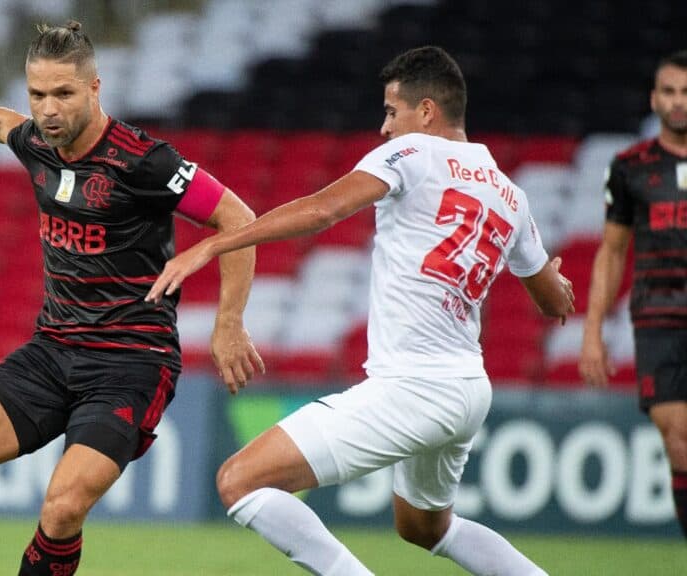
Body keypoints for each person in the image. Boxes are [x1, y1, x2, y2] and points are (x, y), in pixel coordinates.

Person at [0, 21, 264, 576]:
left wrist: (229, 320)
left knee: (62, 509)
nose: (48, 109)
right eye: (37, 94)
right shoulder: (38, 141)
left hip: (131, 362)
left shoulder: (144, 162)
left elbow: (238, 217)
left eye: (63, 93)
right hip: (53, 348)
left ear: (95, 88)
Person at [146, 46, 574, 575]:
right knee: (425, 526)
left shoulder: (414, 153)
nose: (383, 128)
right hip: (467, 388)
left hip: (414, 388)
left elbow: (324, 209)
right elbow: (553, 301)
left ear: (426, 113)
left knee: (239, 480)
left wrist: (216, 244)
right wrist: (558, 282)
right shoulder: (510, 195)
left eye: (392, 112)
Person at [579, 49, 687, 539]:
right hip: (659, 318)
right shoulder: (630, 168)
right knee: (680, 444)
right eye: (669, 91)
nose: (678, 101)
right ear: (654, 98)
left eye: (686, 92)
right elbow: (612, 251)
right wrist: (593, 333)